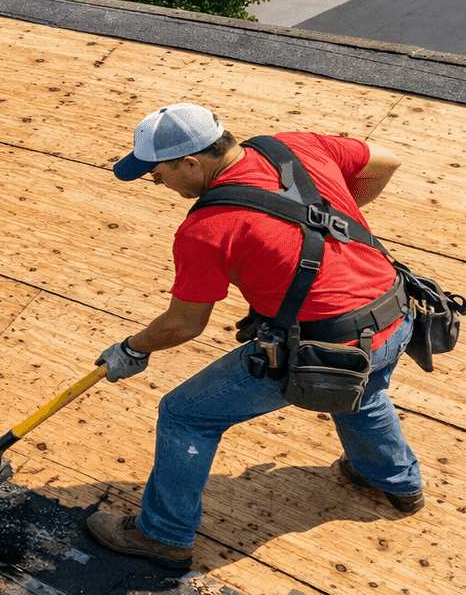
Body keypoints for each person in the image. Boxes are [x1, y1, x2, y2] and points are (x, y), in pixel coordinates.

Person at [88, 103, 423, 570]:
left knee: (186, 415)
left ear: (191, 163)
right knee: (363, 391)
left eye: (157, 172)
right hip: (396, 315)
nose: (156, 182)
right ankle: (395, 481)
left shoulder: (207, 229)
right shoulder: (293, 145)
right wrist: (329, 221)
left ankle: (163, 535)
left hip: (325, 349)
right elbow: (386, 160)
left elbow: (184, 324)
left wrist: (132, 349)